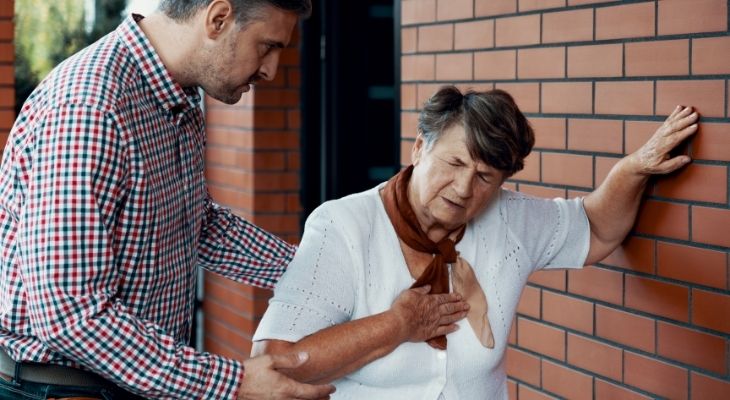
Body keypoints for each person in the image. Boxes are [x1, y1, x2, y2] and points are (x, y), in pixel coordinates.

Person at [0, 0, 445, 399]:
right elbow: (72, 314)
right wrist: (234, 383)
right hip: (57, 387)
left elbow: (199, 225)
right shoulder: (91, 108)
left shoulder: (177, 100)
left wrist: (332, 273)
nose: (271, 69)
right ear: (218, 18)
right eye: (267, 46)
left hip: (127, 382)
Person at [252, 86, 700, 399]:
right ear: (419, 148)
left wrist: (632, 170)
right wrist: (396, 325)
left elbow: (598, 228)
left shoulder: (509, 219)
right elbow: (277, 362)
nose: (464, 189)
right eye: (454, 162)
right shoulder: (342, 226)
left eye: (485, 176)